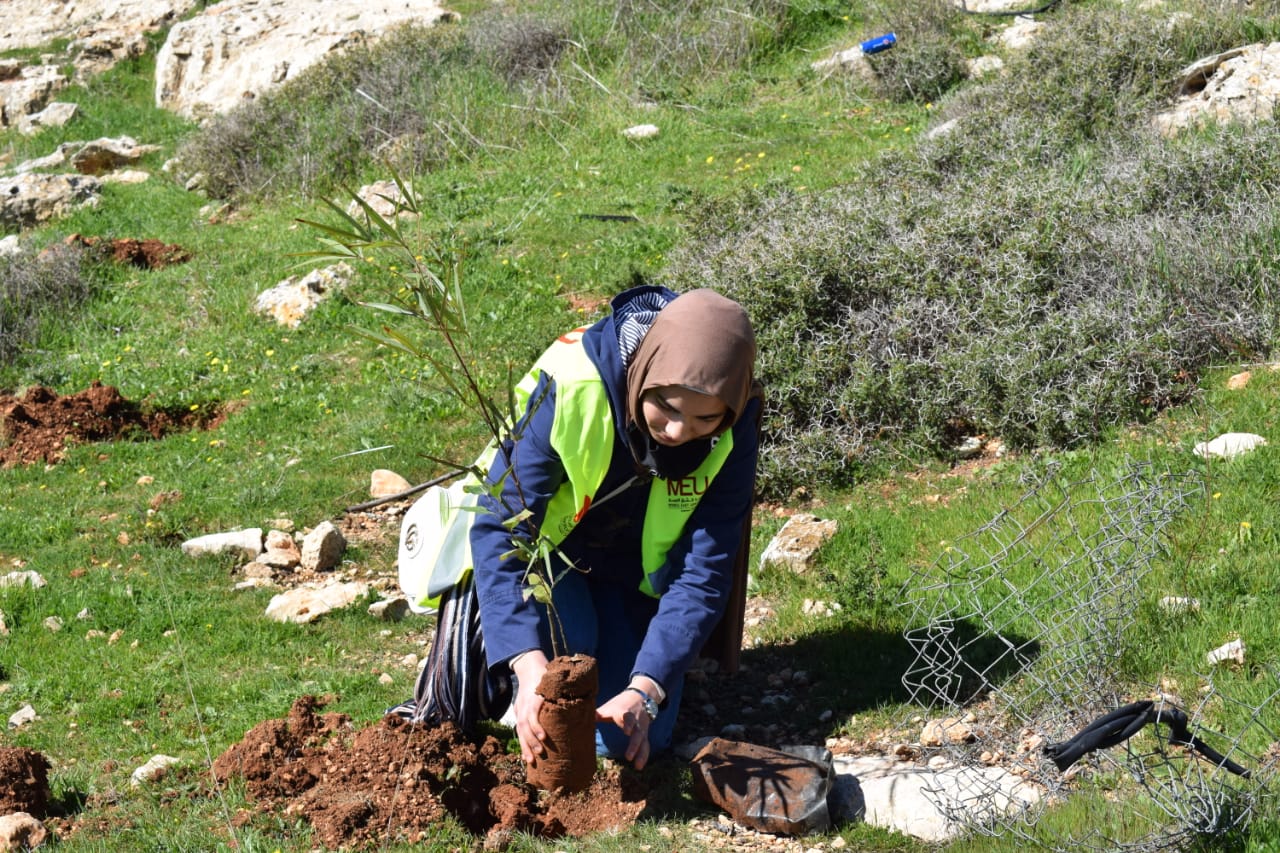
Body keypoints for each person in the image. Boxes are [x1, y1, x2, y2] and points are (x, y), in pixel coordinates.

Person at [470, 284, 761, 771]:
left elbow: (704, 573)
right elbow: (501, 528)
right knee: (561, 673)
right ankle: (496, 668)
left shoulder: (735, 427)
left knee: (624, 737)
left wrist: (644, 691)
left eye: (704, 418)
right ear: (644, 374)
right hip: (549, 562)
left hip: (630, 577)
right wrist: (526, 662)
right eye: (666, 406)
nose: (676, 431)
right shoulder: (576, 386)